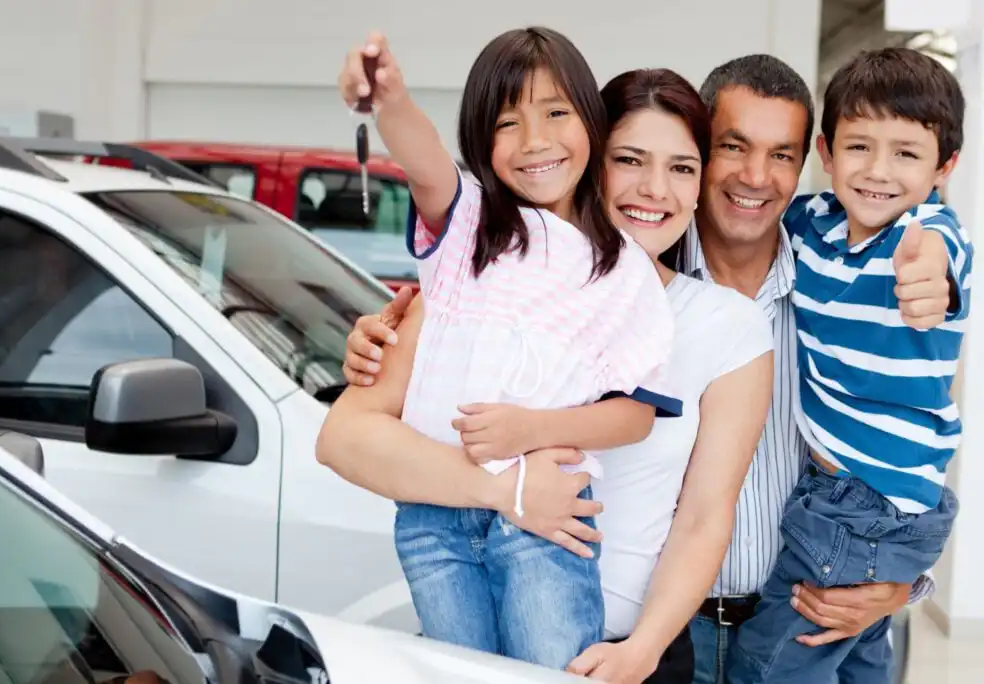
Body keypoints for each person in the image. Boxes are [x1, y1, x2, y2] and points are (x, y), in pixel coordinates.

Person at [338, 53, 960, 684]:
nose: (754, 175)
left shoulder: (833, 288)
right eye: (732, 147)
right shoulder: (515, 282)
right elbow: (356, 433)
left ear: (806, 165)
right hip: (633, 633)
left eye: (781, 156)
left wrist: (897, 579)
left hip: (781, 618)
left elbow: (908, 420)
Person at [321, 63, 776, 683]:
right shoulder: (485, 282)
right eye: (630, 160)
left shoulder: (727, 326)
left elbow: (704, 516)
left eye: (681, 168)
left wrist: (642, 650)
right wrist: (504, 492)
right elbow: (344, 438)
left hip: (623, 657)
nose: (655, 190)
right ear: (590, 156)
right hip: (479, 637)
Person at [727, 47, 971, 684]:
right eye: (860, 148)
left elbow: (941, 255)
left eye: (907, 154)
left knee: (768, 666)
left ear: (945, 167)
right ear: (826, 153)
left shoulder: (926, 232)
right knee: (861, 662)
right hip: (850, 502)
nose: (879, 172)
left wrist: (930, 280)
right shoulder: (812, 224)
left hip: (864, 505)